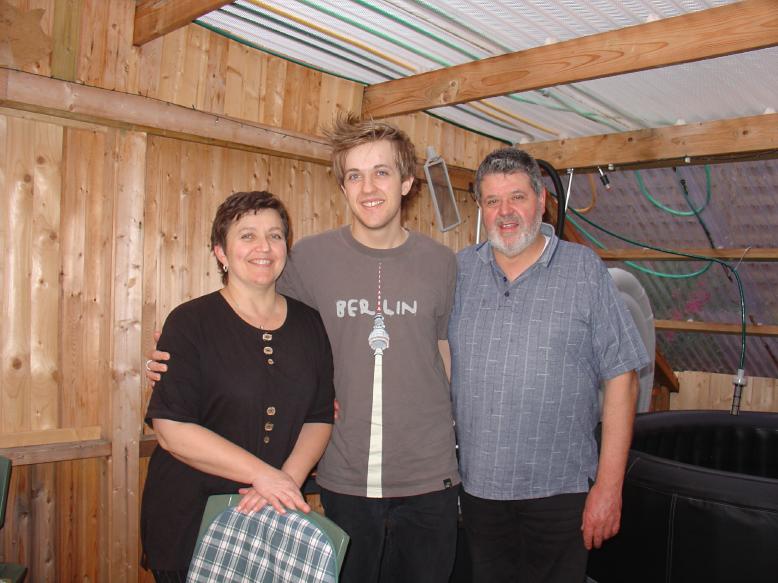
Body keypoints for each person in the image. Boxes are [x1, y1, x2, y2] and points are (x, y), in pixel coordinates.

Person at [146, 115, 460, 583]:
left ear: (407, 182)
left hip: (428, 476)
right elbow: (245, 306)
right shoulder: (308, 259)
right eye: (354, 175)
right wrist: (172, 354)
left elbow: (443, 351)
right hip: (341, 477)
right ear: (343, 187)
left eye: (382, 172)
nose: (368, 187)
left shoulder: (442, 262)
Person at [448, 147, 650, 583]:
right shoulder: (460, 271)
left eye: (517, 197)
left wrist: (609, 487)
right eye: (492, 201)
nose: (505, 212)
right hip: (481, 490)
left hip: (562, 491)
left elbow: (623, 378)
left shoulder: (583, 270)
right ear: (480, 207)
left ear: (541, 201)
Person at [140, 191, 334, 582]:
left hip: (274, 513)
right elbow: (171, 430)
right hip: (189, 519)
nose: (264, 247)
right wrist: (266, 476)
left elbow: (319, 416)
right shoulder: (189, 322)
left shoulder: (311, 324)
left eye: (275, 235)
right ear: (221, 253)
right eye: (247, 235)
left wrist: (286, 481)